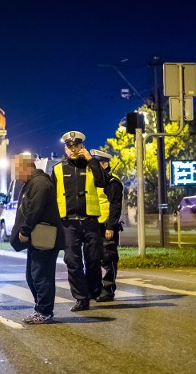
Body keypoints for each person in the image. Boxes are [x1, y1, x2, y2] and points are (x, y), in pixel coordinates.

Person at [51, 131, 108, 312]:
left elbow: (103, 182)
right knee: (72, 261)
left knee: (93, 259)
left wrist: (91, 160)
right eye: (70, 147)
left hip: (90, 220)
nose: (74, 150)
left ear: (82, 146)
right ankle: (81, 298)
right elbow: (52, 196)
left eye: (77, 146)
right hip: (68, 223)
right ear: (65, 149)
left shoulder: (92, 165)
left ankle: (93, 291)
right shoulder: (58, 169)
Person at [10, 154, 65, 324]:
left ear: (27, 168)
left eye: (17, 170)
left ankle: (44, 311)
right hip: (37, 238)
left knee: (41, 275)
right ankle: (40, 308)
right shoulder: (31, 183)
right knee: (32, 275)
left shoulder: (40, 182)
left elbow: (35, 209)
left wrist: (25, 230)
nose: (15, 174)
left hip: (44, 237)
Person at [91, 149, 124, 302]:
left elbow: (115, 206)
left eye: (97, 165)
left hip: (106, 226)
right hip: (94, 225)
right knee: (94, 259)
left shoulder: (112, 182)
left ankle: (108, 290)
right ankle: (96, 289)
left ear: (104, 164)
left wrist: (111, 226)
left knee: (108, 258)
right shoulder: (94, 181)